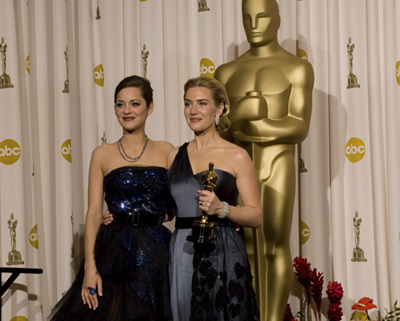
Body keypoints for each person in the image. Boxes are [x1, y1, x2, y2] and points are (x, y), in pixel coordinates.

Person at [213, 0, 315, 320]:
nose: (254, 24)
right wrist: (241, 115)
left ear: (277, 19)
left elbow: (298, 126)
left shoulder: (296, 68)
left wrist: (252, 121)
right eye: (247, 18)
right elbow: (221, 132)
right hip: (239, 166)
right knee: (247, 246)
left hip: (278, 161)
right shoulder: (226, 72)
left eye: (261, 17)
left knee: (274, 242)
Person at [48, 75, 175, 321]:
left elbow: (176, 206)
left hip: (157, 253)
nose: (127, 110)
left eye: (135, 103)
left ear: (150, 107)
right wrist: (89, 268)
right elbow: (94, 212)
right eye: (120, 104)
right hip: (114, 253)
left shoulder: (168, 151)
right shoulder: (102, 154)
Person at [167, 76, 262, 321]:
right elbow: (168, 210)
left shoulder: (237, 155)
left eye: (202, 103)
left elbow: (255, 215)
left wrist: (223, 209)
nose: (193, 111)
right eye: (188, 104)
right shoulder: (174, 156)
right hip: (181, 250)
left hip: (221, 250)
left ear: (220, 108)